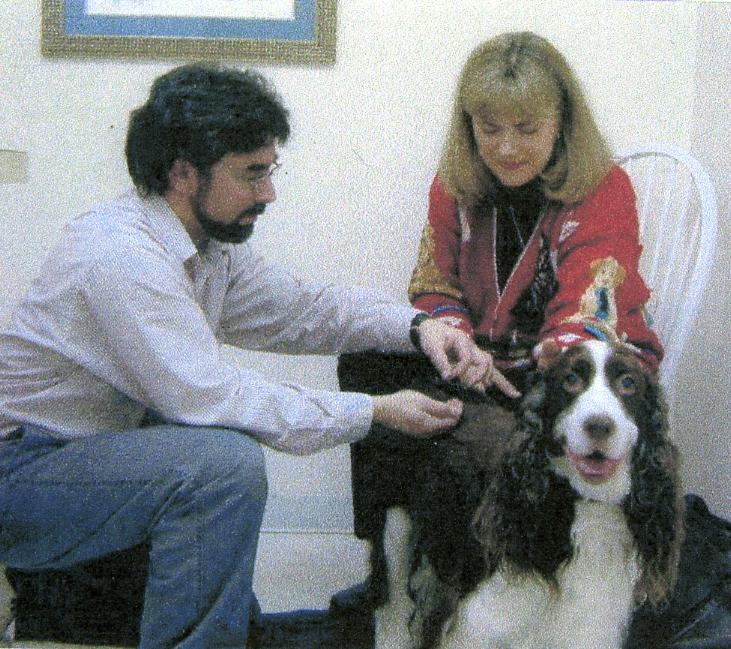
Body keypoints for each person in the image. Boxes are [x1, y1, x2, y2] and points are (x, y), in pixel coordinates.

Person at [0, 64, 495, 649]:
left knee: (204, 450)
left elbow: (308, 309)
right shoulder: (123, 259)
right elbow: (214, 397)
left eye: (270, 171)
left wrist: (419, 327)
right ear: (183, 173)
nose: (268, 193)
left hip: (85, 456)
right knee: (220, 465)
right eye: (252, 174)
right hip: (23, 472)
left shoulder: (204, 247)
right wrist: (375, 410)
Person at [331, 30, 663, 613]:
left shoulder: (605, 188)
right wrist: (455, 343)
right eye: (490, 129)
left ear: (562, 121)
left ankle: (462, 580)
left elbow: (589, 308)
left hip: (576, 371)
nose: (507, 148)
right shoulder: (453, 186)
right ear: (469, 128)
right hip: (484, 363)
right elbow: (434, 287)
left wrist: (516, 367)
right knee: (368, 360)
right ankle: (387, 557)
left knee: (464, 440)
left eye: (527, 129)